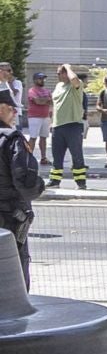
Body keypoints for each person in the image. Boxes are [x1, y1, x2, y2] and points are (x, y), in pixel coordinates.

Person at [0, 86, 44, 287]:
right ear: (1, 109)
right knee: (13, 274)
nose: (15, 113)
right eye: (12, 108)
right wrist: (40, 186)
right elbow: (26, 181)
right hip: (8, 220)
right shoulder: (12, 140)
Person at [47, 65, 88, 190]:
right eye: (57, 73)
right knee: (57, 156)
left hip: (73, 125)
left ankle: (81, 182)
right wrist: (52, 121)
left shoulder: (76, 85)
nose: (58, 75)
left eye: (60, 73)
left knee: (76, 155)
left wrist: (68, 67)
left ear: (67, 74)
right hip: (57, 126)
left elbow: (74, 79)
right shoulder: (58, 86)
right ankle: (55, 180)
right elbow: (55, 105)